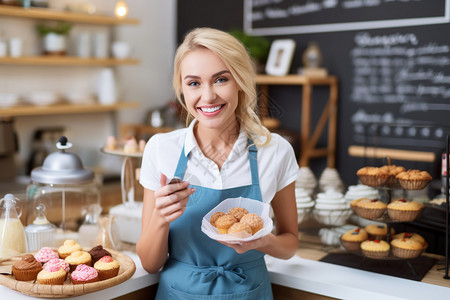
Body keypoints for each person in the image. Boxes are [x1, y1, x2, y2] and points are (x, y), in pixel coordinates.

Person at [137, 27, 299, 299]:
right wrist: (160, 218)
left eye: (221, 79)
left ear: (240, 81)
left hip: (250, 292)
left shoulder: (276, 151)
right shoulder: (161, 149)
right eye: (194, 83)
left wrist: (264, 241)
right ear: (182, 90)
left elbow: (290, 244)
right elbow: (150, 263)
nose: (208, 96)